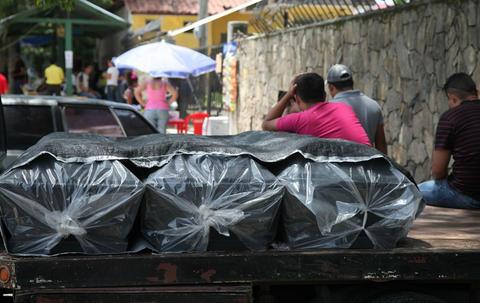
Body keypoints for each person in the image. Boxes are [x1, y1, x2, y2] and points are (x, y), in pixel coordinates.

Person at [419, 73, 480, 209]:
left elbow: (438, 170)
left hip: (466, 195)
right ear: (476, 92)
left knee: (411, 191)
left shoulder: (450, 118)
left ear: (452, 98)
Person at [262, 73, 371, 146]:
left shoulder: (300, 120)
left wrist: (289, 94)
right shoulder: (344, 108)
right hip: (372, 166)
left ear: (297, 100)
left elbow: (266, 124)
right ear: (324, 96)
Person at [327, 64, 387, 154]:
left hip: (340, 166)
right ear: (352, 83)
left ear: (331, 87)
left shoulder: (327, 110)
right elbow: (381, 145)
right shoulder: (374, 106)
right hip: (369, 165)